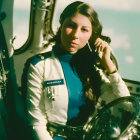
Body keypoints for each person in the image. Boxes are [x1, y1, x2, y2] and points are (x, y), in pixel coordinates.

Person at [21, 1, 130, 140]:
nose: (75, 35)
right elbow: (37, 122)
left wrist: (109, 66)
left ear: (92, 35)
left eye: (84, 30)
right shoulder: (39, 65)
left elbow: (125, 103)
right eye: (71, 26)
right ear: (61, 26)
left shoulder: (91, 68)